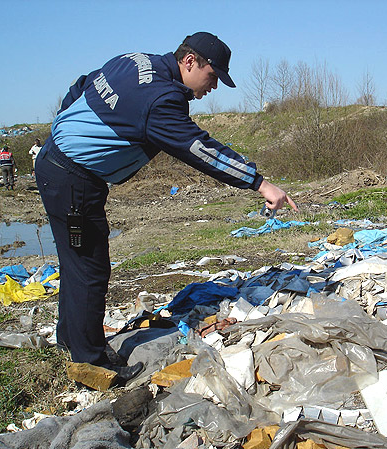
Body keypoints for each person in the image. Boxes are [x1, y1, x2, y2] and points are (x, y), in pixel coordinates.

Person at [35, 32, 297, 384]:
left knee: (77, 260)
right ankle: (89, 362)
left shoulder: (136, 60)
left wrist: (61, 129)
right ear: (190, 62)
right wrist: (260, 183)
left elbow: (82, 83)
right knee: (89, 268)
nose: (214, 86)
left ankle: (71, 338)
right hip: (73, 179)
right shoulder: (160, 100)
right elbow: (201, 151)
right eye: (213, 76)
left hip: (61, 166)